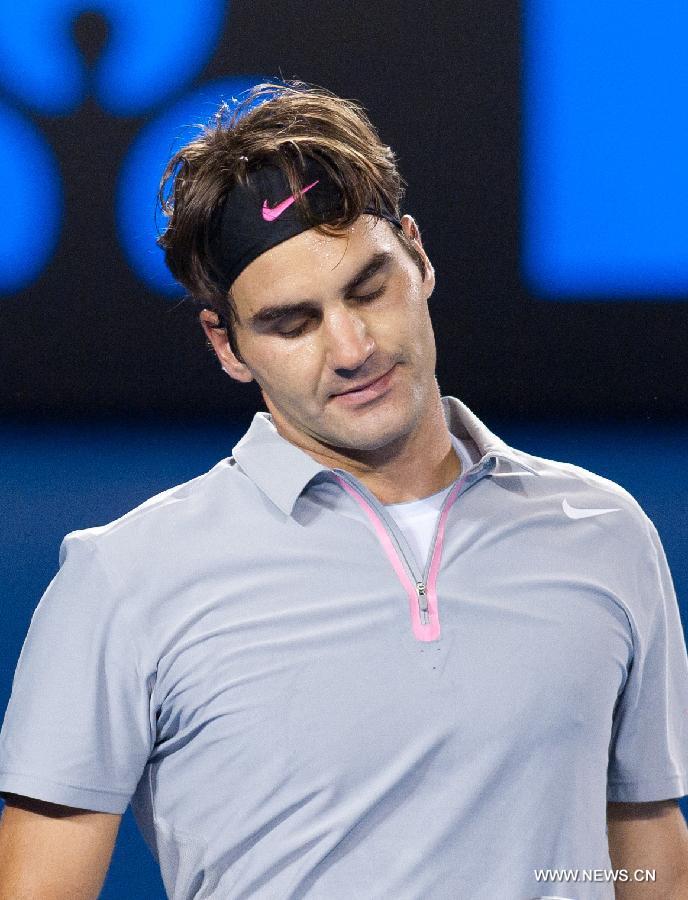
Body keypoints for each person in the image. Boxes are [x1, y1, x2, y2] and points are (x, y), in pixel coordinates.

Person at [0, 80, 687, 900]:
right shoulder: (121, 579)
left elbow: (642, 843)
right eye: (293, 322)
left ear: (418, 255)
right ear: (226, 342)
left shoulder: (605, 532)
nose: (353, 347)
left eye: (369, 289)